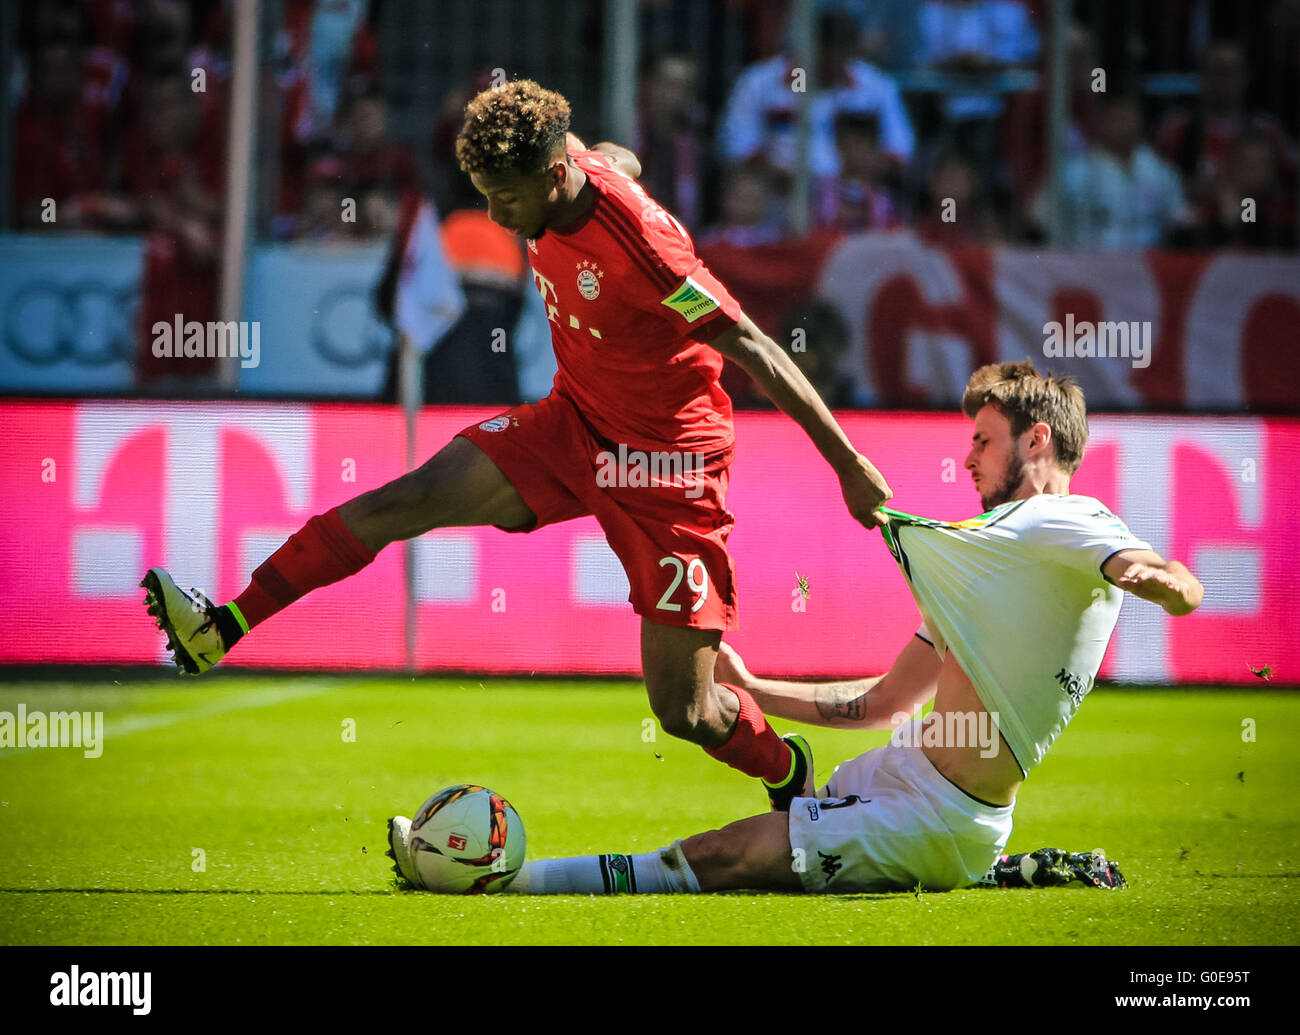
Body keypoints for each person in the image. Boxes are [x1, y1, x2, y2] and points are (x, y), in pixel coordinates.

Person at [142, 79, 892, 814]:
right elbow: (616, 156)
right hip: (572, 425)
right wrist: (617, 163)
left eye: (506, 197)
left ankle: (792, 776)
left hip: (670, 464)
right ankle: (222, 627)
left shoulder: (647, 247)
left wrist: (849, 466)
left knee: (685, 711)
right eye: (485, 194)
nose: (496, 215)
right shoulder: (566, 164)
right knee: (403, 501)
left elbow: (756, 347)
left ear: (553, 175)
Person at [417, 359, 1204, 895]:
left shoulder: (1068, 519)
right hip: (897, 773)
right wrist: (757, 688)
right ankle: (994, 868)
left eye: (982, 440)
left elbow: (1148, 566)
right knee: (755, 840)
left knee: (725, 854)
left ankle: (509, 878)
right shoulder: (990, 563)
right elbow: (883, 703)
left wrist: (1161, 581)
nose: (966, 459)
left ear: (1037, 440)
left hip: (945, 815)